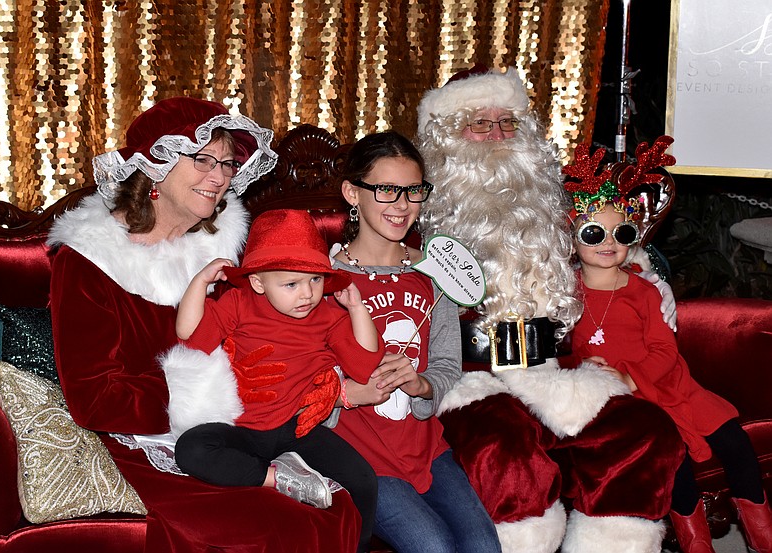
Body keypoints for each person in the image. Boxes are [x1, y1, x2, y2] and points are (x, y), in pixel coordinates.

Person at [48, 97, 364, 553]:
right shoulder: (88, 259)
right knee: (262, 530)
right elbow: (94, 397)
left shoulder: (229, 249)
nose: (218, 177)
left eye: (227, 164)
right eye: (202, 160)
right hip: (144, 438)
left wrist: (318, 380)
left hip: (245, 424)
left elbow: (283, 331)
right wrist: (201, 397)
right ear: (153, 163)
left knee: (333, 509)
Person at [414, 65, 686, 552]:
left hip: (552, 367)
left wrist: (642, 274)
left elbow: (601, 244)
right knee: (508, 452)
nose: (498, 135)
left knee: (645, 431)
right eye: (480, 123)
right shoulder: (419, 215)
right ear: (447, 136)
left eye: (508, 122)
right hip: (470, 374)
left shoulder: (544, 203)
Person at [562, 142, 772, 553]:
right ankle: (696, 542)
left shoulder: (644, 291)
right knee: (670, 457)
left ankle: (763, 535)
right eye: (593, 233)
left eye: (621, 233)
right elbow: (562, 351)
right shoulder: (564, 293)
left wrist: (630, 374)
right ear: (572, 239)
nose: (609, 243)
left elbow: (665, 350)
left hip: (670, 385)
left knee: (734, 440)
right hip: (628, 403)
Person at [330, 131, 503, 553]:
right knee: (433, 546)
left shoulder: (434, 274)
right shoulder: (322, 278)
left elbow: (446, 364)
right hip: (359, 455)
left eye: (413, 191)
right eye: (387, 190)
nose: (402, 205)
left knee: (483, 545)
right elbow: (299, 373)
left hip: (425, 448)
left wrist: (420, 384)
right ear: (353, 193)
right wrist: (348, 390)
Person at [173, 208, 382, 552]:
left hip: (296, 430)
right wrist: (199, 283)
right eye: (291, 284)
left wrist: (357, 308)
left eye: (316, 280)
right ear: (258, 282)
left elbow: (364, 364)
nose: (307, 294)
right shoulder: (239, 302)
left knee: (364, 481)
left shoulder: (328, 314)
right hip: (240, 428)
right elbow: (190, 338)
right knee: (191, 449)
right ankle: (277, 478)